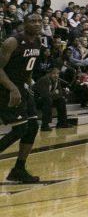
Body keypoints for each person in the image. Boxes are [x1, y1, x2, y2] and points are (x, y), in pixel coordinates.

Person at [0, 12, 45, 183]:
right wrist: (13, 88)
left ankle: (18, 169)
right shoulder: (12, 42)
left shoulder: (38, 42)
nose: (37, 23)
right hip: (5, 88)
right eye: (32, 21)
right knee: (20, 129)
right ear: (24, 23)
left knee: (32, 127)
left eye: (39, 21)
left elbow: (28, 66)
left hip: (21, 88)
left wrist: (28, 83)